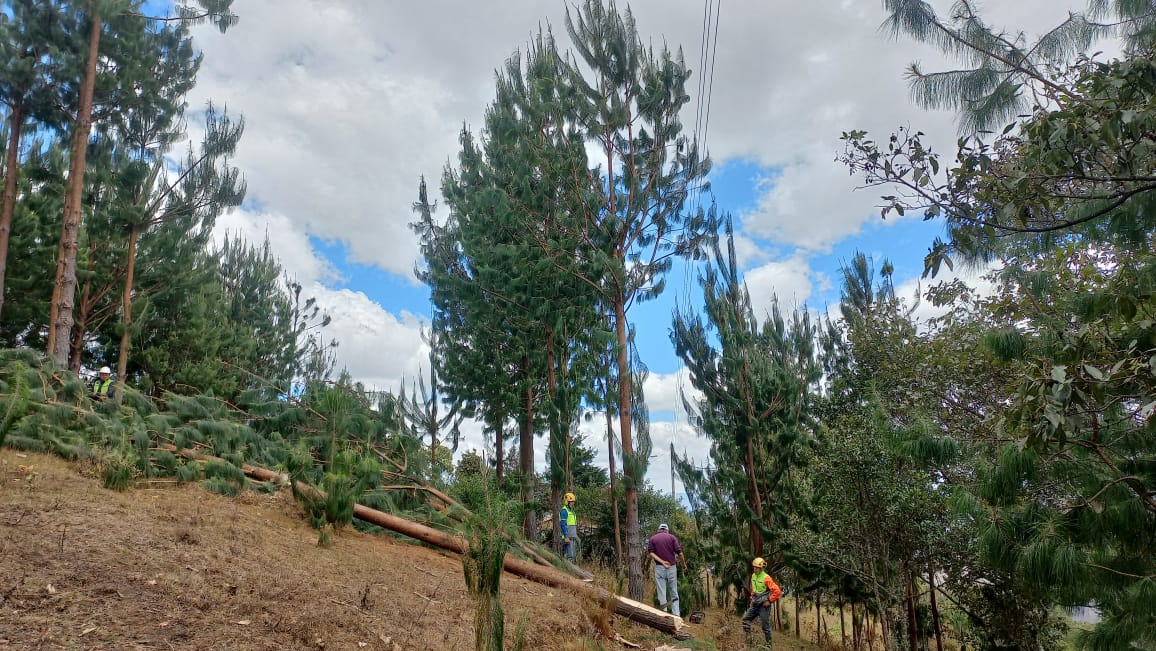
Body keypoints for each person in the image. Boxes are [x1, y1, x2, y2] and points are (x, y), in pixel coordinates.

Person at [647, 523, 685, 616]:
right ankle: (676, 615)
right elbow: (680, 553)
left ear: (658, 529)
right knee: (674, 591)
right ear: (667, 530)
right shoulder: (672, 537)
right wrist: (684, 564)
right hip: (671, 567)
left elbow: (651, 553)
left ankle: (664, 616)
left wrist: (662, 562)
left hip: (659, 568)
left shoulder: (653, 539)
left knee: (661, 593)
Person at [741, 556, 781, 646]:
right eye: (754, 567)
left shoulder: (766, 578)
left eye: (757, 568)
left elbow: (777, 591)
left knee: (765, 627)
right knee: (745, 619)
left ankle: (768, 646)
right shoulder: (753, 576)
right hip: (755, 603)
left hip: (764, 605)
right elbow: (754, 589)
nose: (755, 569)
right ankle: (749, 640)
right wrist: (752, 597)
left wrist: (770, 601)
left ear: (761, 568)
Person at [560, 492, 579, 563]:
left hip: (572, 537)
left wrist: (576, 536)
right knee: (570, 556)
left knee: (573, 556)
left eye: (573, 502)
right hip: (568, 537)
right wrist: (566, 536)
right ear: (567, 501)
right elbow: (563, 524)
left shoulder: (572, 511)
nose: (572, 503)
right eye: (571, 502)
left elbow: (573, 525)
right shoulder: (564, 511)